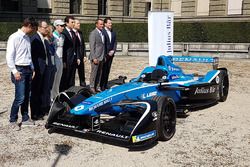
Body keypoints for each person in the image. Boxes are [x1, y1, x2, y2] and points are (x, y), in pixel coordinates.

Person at [6, 17, 37, 129]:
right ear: (28, 25)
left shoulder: (27, 38)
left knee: (27, 96)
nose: (33, 31)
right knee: (20, 97)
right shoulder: (14, 37)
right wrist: (14, 71)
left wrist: (32, 68)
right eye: (33, 28)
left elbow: (28, 55)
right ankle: (12, 120)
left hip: (28, 69)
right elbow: (9, 56)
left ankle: (25, 118)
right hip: (19, 70)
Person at [30, 20, 52, 120]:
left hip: (44, 68)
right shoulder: (35, 38)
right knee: (35, 92)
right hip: (38, 69)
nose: (47, 29)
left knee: (41, 91)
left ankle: (40, 111)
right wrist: (34, 69)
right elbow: (33, 56)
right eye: (45, 27)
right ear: (39, 28)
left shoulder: (42, 38)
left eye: (47, 27)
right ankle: (34, 114)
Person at [60, 16, 77, 91]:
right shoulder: (64, 33)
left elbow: (75, 47)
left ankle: (71, 92)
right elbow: (62, 49)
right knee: (65, 78)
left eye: (74, 22)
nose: (73, 24)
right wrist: (63, 61)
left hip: (73, 59)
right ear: (66, 23)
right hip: (66, 59)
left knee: (72, 77)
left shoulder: (73, 33)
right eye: (72, 22)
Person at [100, 17, 117, 91]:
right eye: (109, 23)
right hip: (104, 54)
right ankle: (101, 85)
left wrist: (113, 50)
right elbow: (102, 44)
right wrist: (107, 53)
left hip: (111, 54)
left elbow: (115, 42)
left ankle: (105, 84)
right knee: (103, 70)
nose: (111, 24)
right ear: (105, 24)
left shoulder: (113, 32)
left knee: (108, 70)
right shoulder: (102, 31)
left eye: (111, 23)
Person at [89, 18, 105, 93]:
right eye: (101, 24)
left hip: (101, 57)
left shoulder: (102, 33)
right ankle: (92, 87)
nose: (102, 25)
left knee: (99, 73)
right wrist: (94, 57)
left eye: (103, 24)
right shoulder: (93, 33)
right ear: (96, 24)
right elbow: (92, 46)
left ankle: (97, 86)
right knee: (94, 73)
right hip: (95, 57)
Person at [51, 19, 65, 100]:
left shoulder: (62, 36)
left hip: (61, 59)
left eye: (63, 26)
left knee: (58, 78)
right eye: (61, 26)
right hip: (55, 59)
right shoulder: (52, 36)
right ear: (56, 26)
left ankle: (56, 94)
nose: (63, 27)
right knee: (53, 79)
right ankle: (51, 96)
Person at [74, 19, 86, 87]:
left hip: (81, 57)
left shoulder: (80, 33)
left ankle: (83, 87)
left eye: (79, 23)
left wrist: (84, 55)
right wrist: (77, 57)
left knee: (82, 74)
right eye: (77, 23)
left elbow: (83, 45)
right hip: (75, 57)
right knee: (72, 75)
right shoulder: (72, 33)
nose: (79, 24)